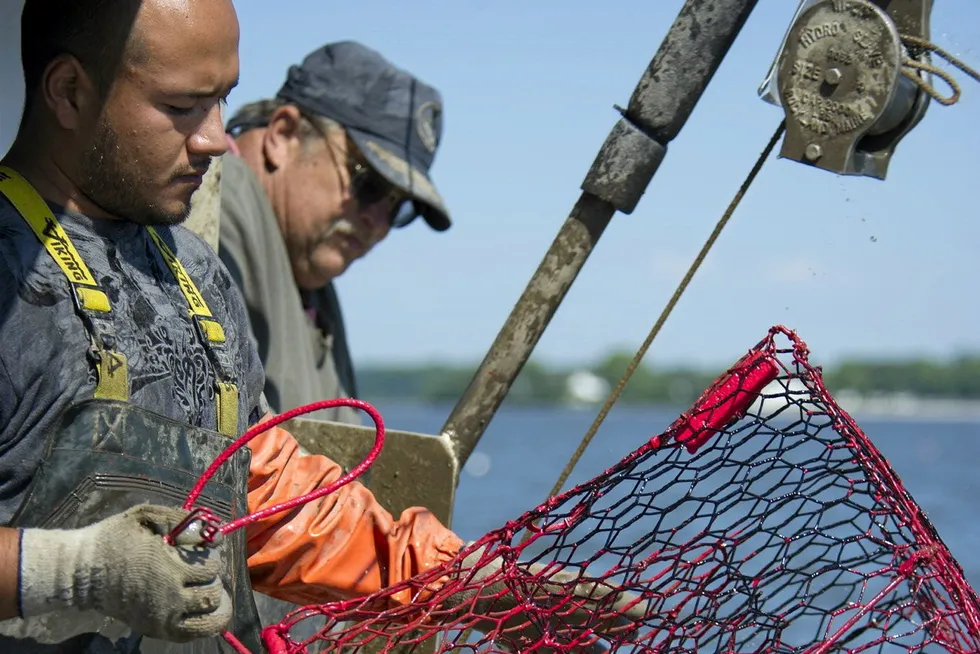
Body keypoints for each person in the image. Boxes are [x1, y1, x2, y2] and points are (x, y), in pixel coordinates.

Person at [0, 1, 466, 651]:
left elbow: (261, 492)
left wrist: (461, 581)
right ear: (69, 91)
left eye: (223, 101)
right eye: (183, 106)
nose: (216, 138)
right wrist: (74, 571)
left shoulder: (195, 272)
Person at [218, 41, 452, 425]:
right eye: (369, 185)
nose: (377, 222)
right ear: (283, 135)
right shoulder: (213, 197)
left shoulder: (306, 273)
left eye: (398, 207)